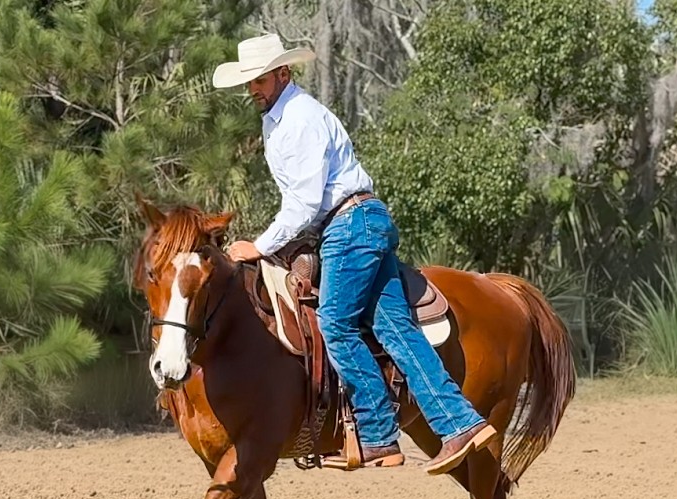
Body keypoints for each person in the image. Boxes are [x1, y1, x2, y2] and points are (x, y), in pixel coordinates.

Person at [211, 33, 496, 475]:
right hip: (359, 220)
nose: (253, 89)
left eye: (260, 80)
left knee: (336, 324)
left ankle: (373, 430)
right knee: (396, 330)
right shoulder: (280, 118)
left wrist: (262, 245)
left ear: (283, 73)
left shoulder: (299, 119)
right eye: (250, 82)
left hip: (348, 225)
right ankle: (455, 424)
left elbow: (305, 201)